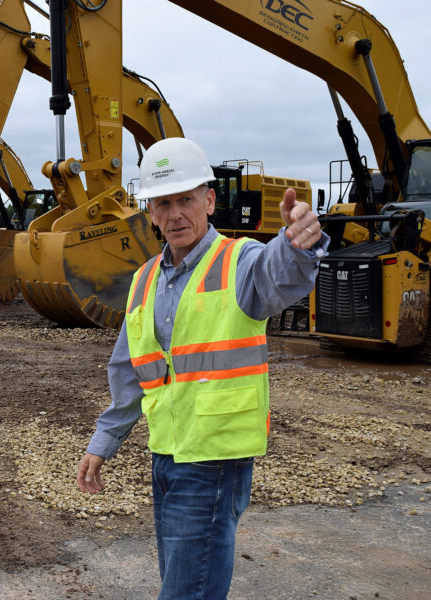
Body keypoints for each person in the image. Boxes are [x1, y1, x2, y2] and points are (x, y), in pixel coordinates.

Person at [76, 137, 329, 599]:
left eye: (186, 200)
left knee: (186, 591)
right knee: (184, 581)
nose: (175, 214)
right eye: (163, 203)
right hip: (166, 454)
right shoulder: (144, 279)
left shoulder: (239, 261)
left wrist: (295, 245)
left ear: (209, 200)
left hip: (214, 457)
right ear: (150, 212)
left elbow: (279, 274)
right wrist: (104, 441)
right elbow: (130, 368)